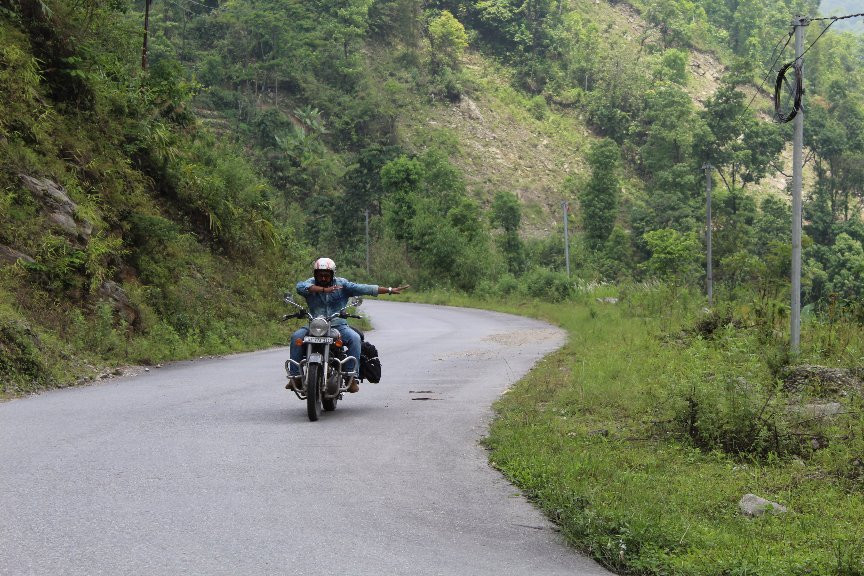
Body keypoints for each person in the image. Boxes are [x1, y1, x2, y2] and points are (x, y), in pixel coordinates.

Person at [286, 257, 408, 393]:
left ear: (332, 274)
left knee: (354, 338)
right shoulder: (310, 283)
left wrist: (389, 290)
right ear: (315, 274)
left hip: (338, 325)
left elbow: (363, 288)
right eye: (320, 275)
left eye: (326, 275)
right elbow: (300, 287)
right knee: (296, 337)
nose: (324, 278)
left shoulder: (342, 285)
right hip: (316, 325)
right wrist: (323, 290)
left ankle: (351, 377)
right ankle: (295, 377)